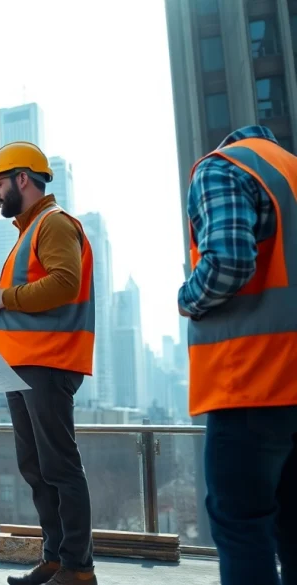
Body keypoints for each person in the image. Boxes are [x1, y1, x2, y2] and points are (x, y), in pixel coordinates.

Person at [177, 125, 297, 585]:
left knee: (243, 527)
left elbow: (228, 261)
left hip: (253, 382)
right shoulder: (286, 172)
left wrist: (187, 297)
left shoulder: (224, 166)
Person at [0, 141, 97, 585]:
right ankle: (55, 559)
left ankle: (78, 568)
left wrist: (3, 298)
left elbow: (64, 283)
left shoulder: (53, 224)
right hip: (22, 368)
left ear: (22, 180)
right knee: (36, 467)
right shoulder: (28, 232)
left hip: (46, 365)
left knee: (59, 466)